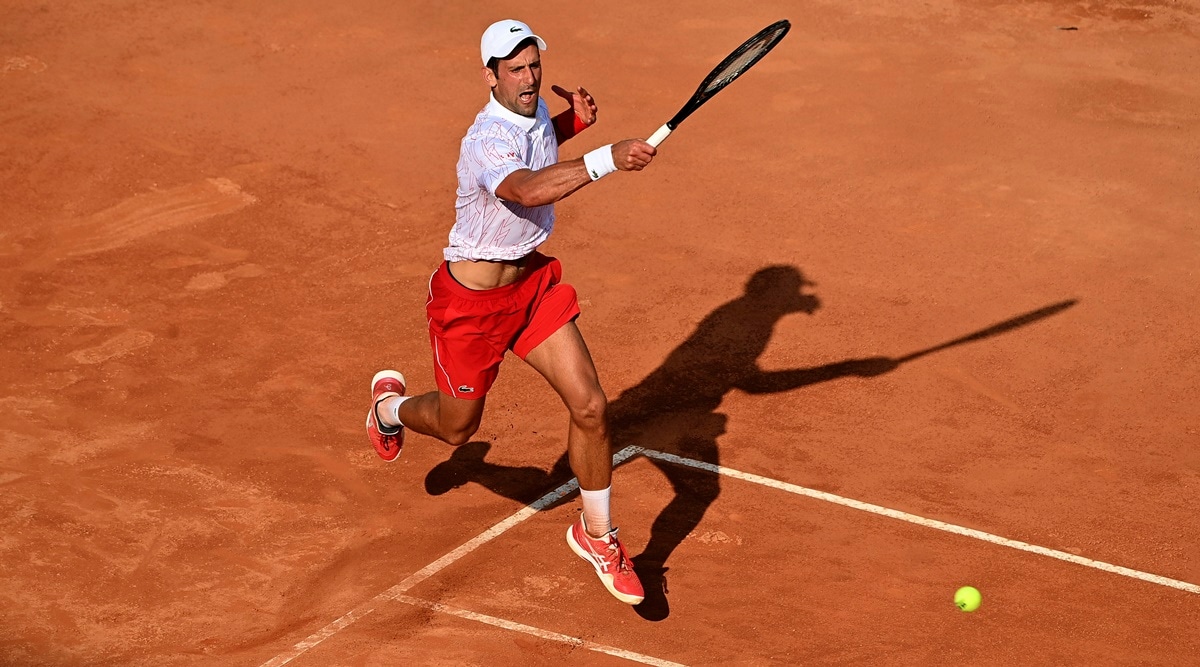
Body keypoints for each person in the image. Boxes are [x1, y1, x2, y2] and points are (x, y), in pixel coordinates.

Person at [364, 19, 657, 606]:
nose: (529, 79)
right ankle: (390, 409)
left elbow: (541, 141)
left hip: (531, 290)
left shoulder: (529, 119)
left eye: (534, 66)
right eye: (515, 69)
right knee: (457, 428)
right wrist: (606, 157)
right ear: (489, 76)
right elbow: (523, 188)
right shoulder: (486, 139)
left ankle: (596, 534)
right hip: (470, 307)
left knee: (592, 406)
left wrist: (574, 122)